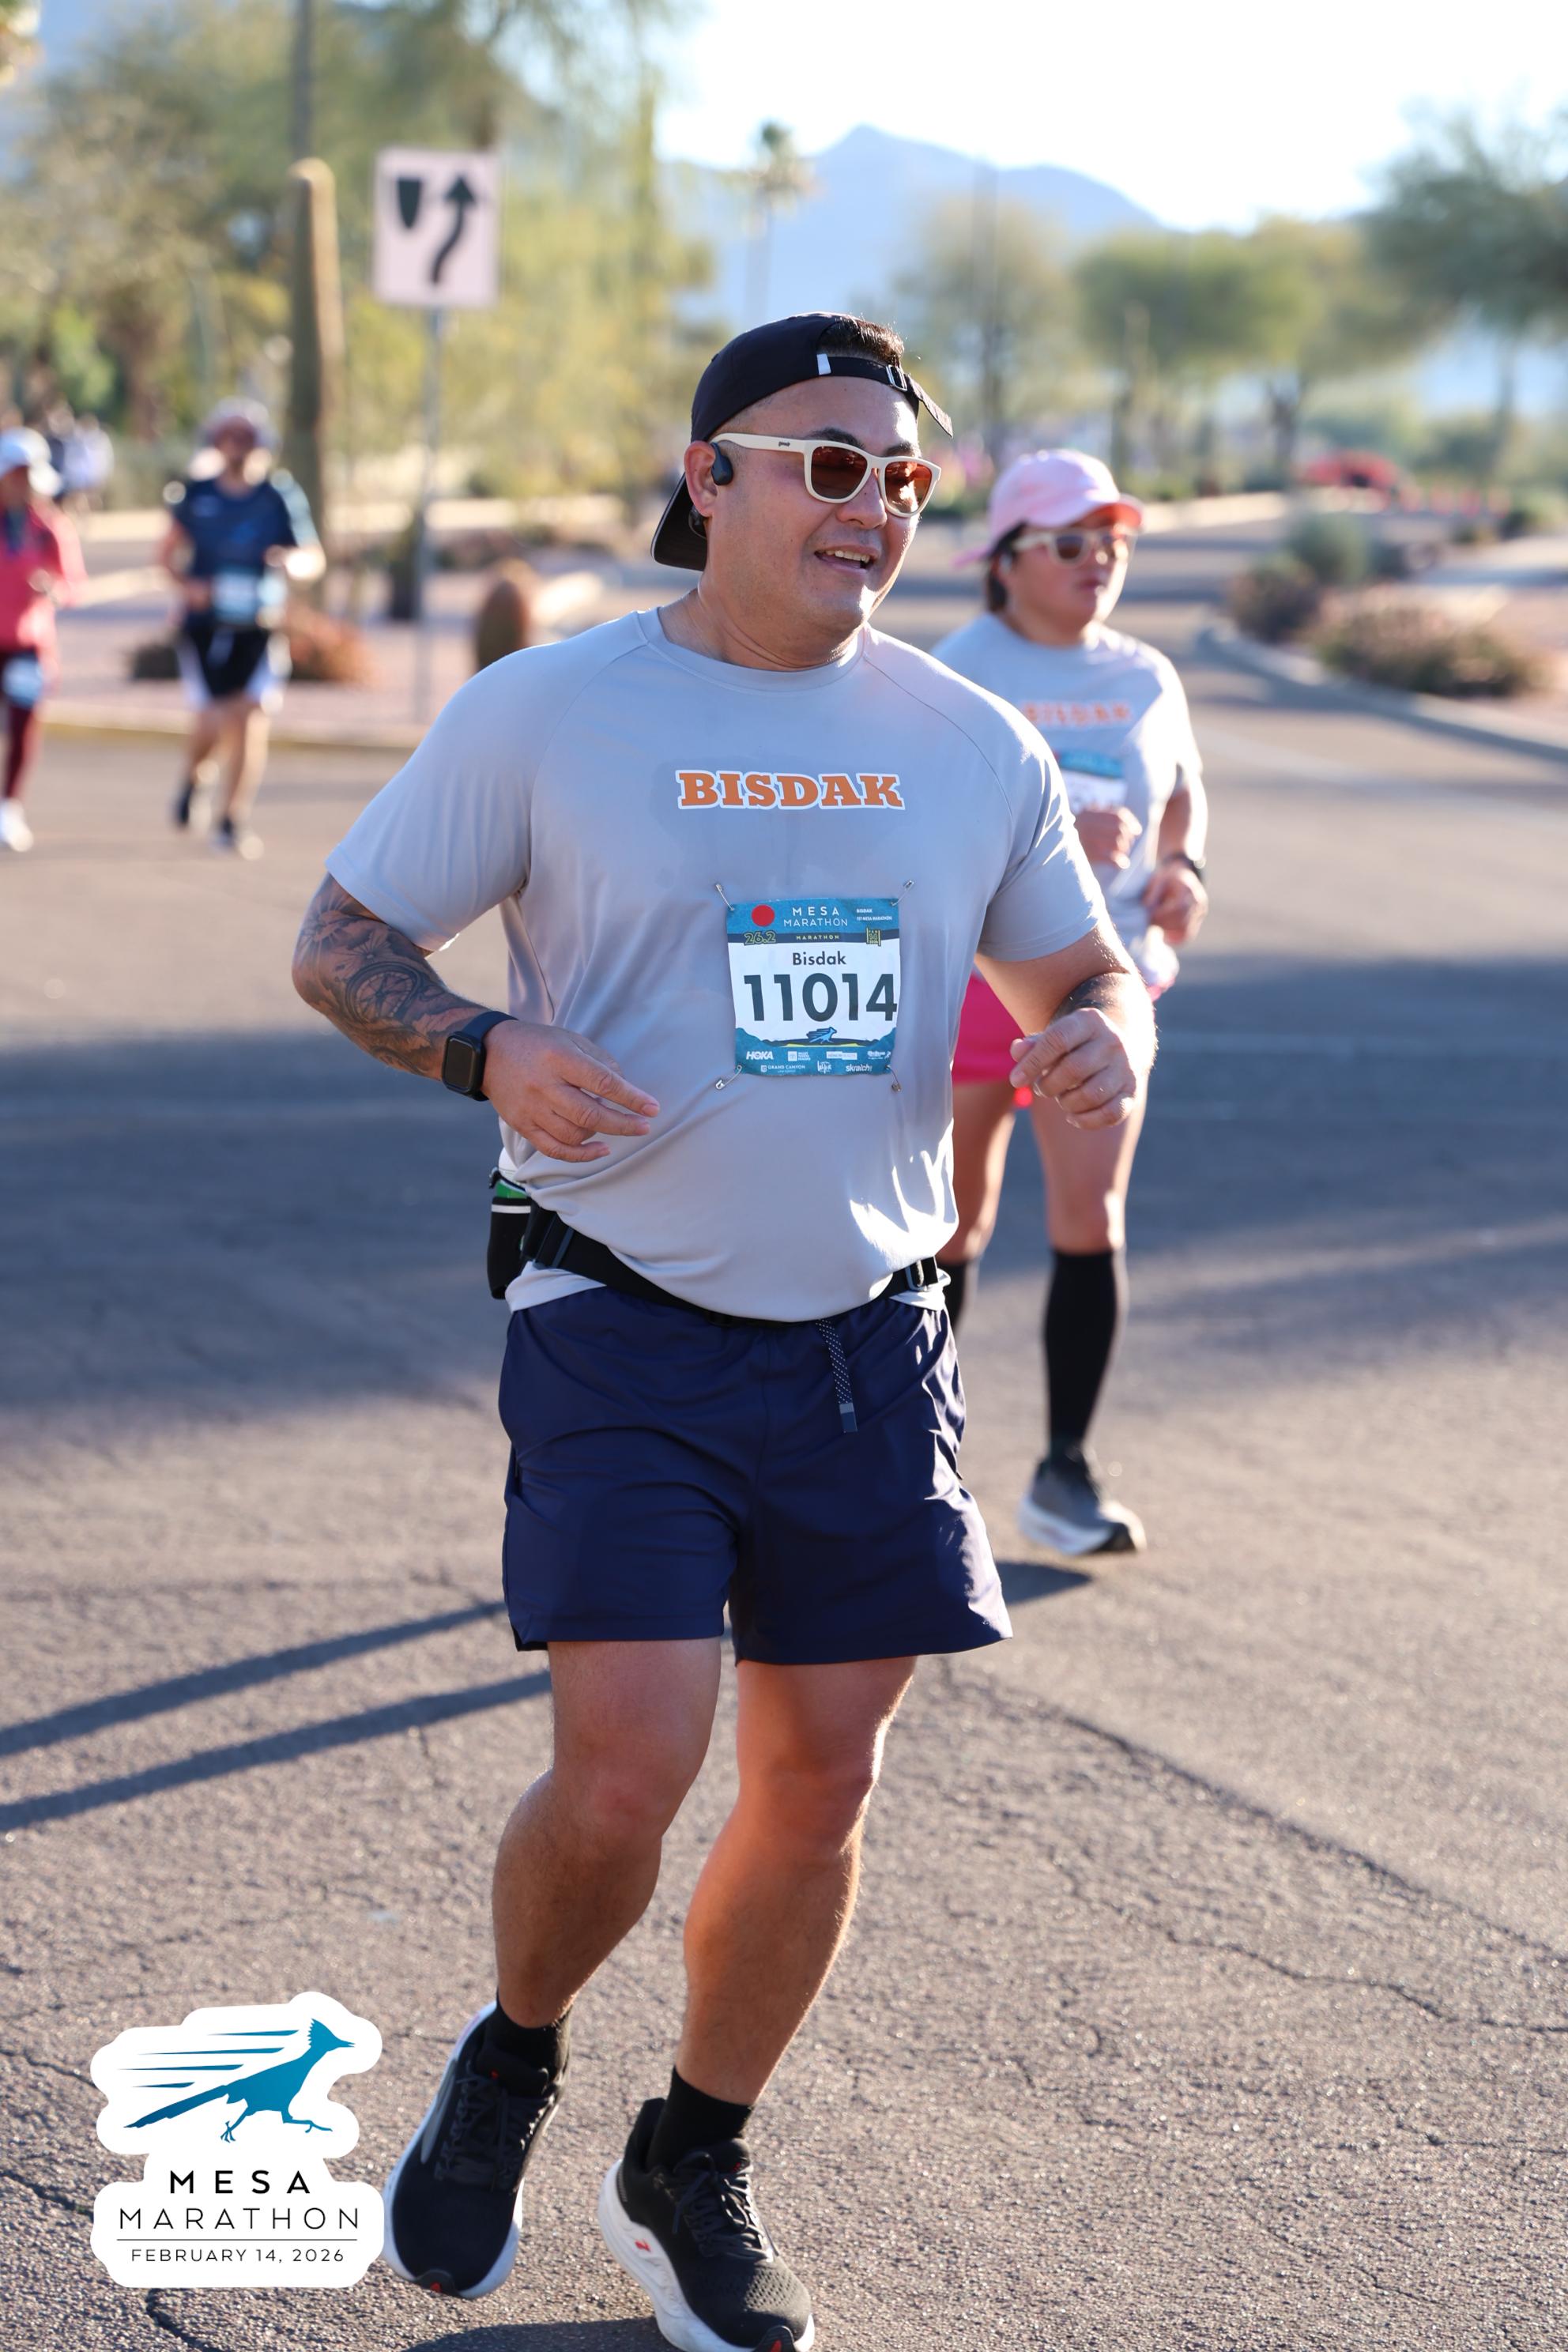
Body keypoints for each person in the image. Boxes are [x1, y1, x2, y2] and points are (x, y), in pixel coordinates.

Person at [291, 314, 1154, 2352]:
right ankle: (512, 2052)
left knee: (821, 1781)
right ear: (714, 478)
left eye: (902, 478)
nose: (873, 506)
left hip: (869, 1335)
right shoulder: (549, 710)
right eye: (828, 464)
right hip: (621, 1309)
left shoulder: (969, 739)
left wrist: (1103, 1035)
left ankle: (691, 2155)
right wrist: (483, 1048)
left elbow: (1078, 973)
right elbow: (340, 941)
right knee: (627, 1770)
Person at [933, 449, 1209, 1558]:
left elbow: (1182, 797)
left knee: (1091, 1220)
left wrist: (1183, 871)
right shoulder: (956, 669)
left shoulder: (1145, 675)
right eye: (1069, 543)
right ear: (1006, 560)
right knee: (950, 1223)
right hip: (975, 979)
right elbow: (914, 829)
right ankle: (915, 1469)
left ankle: (1064, 1473)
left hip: (1105, 981)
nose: (1098, 561)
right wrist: (1044, 834)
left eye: (1113, 543)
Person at [161, 398, 322, 858]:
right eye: (229, 435)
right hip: (206, 627)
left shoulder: (278, 495)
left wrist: (292, 563)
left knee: (251, 716)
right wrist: (189, 587)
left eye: (246, 436)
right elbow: (166, 555)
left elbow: (312, 556)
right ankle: (195, 777)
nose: (237, 444)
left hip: (259, 626)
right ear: (216, 441)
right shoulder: (196, 494)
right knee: (212, 721)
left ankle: (232, 818)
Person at [0, 428, 85, 854]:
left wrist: (53, 589)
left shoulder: (50, 528)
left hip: (29, 645)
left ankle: (9, 808)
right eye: (15, 476)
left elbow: (73, 586)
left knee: (23, 726)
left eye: (28, 478)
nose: (22, 486)